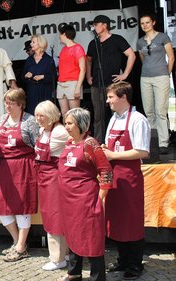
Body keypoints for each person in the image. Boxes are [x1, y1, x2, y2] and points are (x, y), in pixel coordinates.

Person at [102, 82, 150, 280]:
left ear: (123, 98)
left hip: (129, 178)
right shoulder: (113, 119)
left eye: (111, 97)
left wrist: (112, 154)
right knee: (117, 219)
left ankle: (135, 264)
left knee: (131, 219)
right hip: (114, 177)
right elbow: (110, 146)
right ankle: (123, 260)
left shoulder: (138, 120)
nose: (108, 101)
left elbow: (142, 151)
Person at [0, 88, 39, 262]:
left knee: (22, 206)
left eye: (11, 103)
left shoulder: (30, 121)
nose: (7, 106)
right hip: (3, 166)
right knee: (2, 206)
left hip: (23, 166)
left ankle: (21, 246)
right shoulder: (2, 119)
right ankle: (16, 241)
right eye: (6, 102)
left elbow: (39, 145)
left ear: (21, 104)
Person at [58, 108, 113, 281]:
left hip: (86, 198)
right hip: (68, 200)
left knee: (91, 237)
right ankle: (74, 273)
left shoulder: (91, 144)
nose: (66, 127)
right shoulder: (69, 142)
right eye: (65, 123)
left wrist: (101, 197)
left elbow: (106, 171)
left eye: (70, 123)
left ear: (81, 124)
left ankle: (97, 277)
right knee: (73, 234)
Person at [86, 15, 136, 142]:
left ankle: (119, 140)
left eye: (96, 24)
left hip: (112, 84)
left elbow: (131, 55)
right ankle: (99, 143)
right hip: (96, 84)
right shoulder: (93, 43)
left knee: (117, 113)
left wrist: (125, 74)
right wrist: (88, 76)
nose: (94, 27)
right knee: (98, 116)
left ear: (105, 25)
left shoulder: (117, 39)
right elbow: (88, 60)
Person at [33, 101, 70, 270]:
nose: (38, 119)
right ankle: (66, 254)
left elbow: (76, 142)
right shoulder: (42, 130)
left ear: (51, 115)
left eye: (42, 115)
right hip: (44, 177)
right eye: (36, 115)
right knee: (50, 215)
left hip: (55, 178)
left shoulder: (60, 131)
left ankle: (58, 258)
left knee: (55, 216)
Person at [137, 14, 174, 155]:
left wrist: (166, 73)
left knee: (160, 110)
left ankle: (163, 142)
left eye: (147, 22)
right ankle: (153, 140)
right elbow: (142, 58)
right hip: (145, 77)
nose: (145, 25)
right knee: (149, 111)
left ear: (153, 22)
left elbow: (171, 57)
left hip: (161, 76)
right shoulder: (140, 41)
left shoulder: (163, 37)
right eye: (142, 23)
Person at [22, 34, 57, 115]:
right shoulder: (29, 60)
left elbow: (54, 76)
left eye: (33, 42)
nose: (31, 44)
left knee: (46, 114)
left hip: (45, 91)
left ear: (40, 43)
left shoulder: (49, 60)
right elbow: (22, 77)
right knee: (32, 114)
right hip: (32, 91)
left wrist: (43, 77)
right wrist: (26, 76)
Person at [57, 24, 86, 117]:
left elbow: (83, 69)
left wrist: (78, 87)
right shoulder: (63, 49)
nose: (59, 36)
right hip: (61, 83)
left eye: (60, 34)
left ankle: (78, 131)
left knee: (74, 114)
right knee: (64, 113)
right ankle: (66, 132)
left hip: (73, 83)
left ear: (64, 34)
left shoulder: (78, 48)